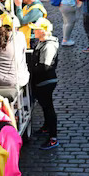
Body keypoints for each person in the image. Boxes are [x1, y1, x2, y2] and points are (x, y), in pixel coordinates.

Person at [30, 18, 59, 150]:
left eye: (36, 29)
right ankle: (47, 127)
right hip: (41, 81)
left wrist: (31, 70)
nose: (34, 31)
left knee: (48, 108)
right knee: (45, 106)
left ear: (43, 31)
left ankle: (53, 137)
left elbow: (45, 67)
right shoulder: (42, 42)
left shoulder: (49, 45)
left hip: (46, 81)